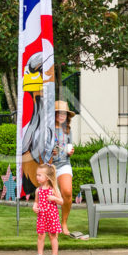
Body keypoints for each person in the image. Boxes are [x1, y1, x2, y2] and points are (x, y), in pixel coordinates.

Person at [52, 100, 87, 240]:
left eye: (64, 113)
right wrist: (50, 152)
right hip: (49, 166)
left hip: (64, 163)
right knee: (50, 198)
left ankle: (64, 223)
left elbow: (69, 146)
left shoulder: (67, 130)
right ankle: (51, 225)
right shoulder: (47, 129)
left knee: (67, 193)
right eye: (59, 112)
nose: (62, 115)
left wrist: (70, 151)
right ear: (54, 114)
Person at [32, 163, 64, 255]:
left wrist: (54, 198)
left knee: (52, 236)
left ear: (47, 177)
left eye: (39, 175)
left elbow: (61, 201)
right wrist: (35, 207)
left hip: (52, 217)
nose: (37, 177)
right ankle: (40, 254)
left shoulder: (53, 189)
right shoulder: (38, 190)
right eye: (37, 175)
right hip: (42, 216)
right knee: (41, 236)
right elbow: (36, 202)